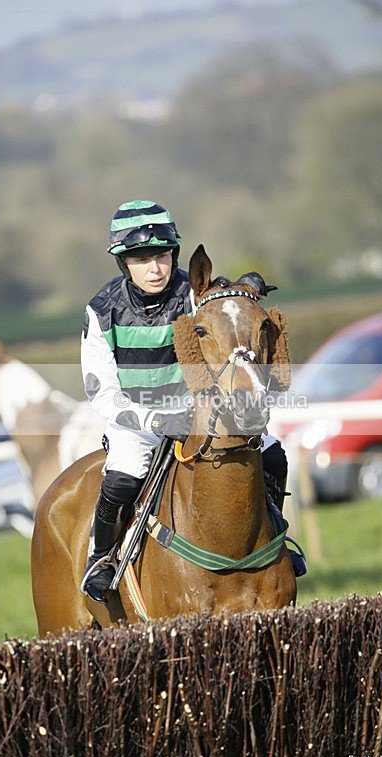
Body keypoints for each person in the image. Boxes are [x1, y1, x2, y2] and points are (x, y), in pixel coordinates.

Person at [80, 200, 302, 603]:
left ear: (174, 254)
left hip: (202, 413)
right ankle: (102, 558)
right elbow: (100, 392)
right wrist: (156, 422)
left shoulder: (193, 296)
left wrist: (246, 288)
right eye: (142, 259)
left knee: (272, 454)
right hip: (138, 421)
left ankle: (274, 537)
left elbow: (229, 301)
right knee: (124, 475)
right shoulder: (101, 311)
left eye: (162, 256)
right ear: (123, 263)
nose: (155, 268)